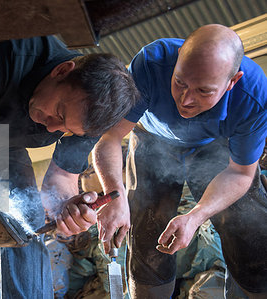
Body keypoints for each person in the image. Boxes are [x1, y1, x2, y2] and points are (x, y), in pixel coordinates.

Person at [0, 35, 140, 298]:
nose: (51, 128)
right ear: (61, 72)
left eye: (65, 129)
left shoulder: (88, 121)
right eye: (59, 114)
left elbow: (61, 177)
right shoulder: (12, 56)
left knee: (28, 219)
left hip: (0, 145)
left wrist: (68, 208)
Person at [92, 24, 267, 298]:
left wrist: (196, 216)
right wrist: (114, 196)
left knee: (248, 224)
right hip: (151, 139)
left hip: (215, 145)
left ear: (232, 82)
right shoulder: (151, 63)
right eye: (179, 83)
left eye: (204, 91)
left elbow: (241, 173)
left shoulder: (253, 97)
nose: (185, 100)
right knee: (148, 229)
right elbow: (110, 138)